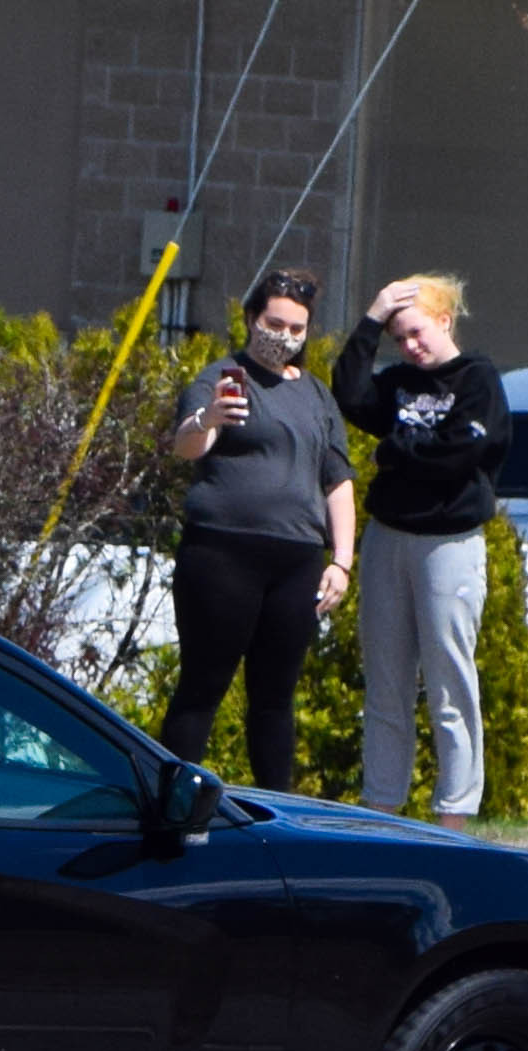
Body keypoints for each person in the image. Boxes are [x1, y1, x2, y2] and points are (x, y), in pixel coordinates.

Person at [157, 268, 357, 792]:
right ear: (250, 318)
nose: (284, 337)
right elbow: (185, 445)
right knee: (203, 685)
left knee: (275, 696)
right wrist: (210, 419)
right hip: (222, 552)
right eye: (274, 323)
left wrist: (342, 559)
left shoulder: (316, 393)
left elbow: (337, 479)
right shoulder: (220, 376)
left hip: (295, 560)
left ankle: (276, 814)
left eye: (297, 328)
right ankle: (171, 807)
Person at [330, 273, 512, 830]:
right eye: (399, 338)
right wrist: (371, 317)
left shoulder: (478, 379)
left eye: (416, 333)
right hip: (390, 538)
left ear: (444, 321)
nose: (410, 346)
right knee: (386, 682)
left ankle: (453, 815)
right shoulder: (400, 383)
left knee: (449, 682)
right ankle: (381, 808)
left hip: (448, 544)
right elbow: (351, 393)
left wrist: (395, 450)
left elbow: (461, 451)